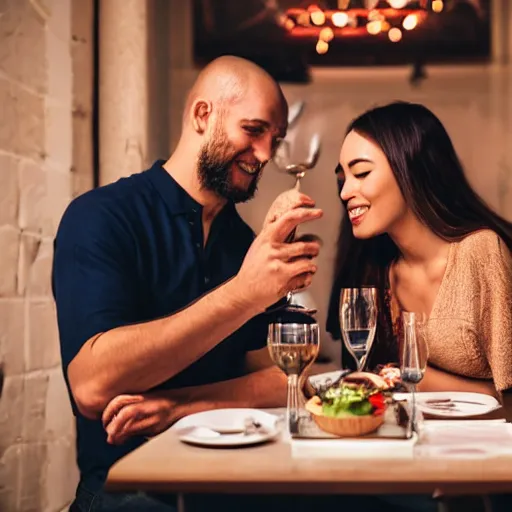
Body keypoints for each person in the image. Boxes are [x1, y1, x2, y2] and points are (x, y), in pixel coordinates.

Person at [53, 55, 323, 511]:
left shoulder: (245, 243)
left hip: (234, 483)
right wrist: (244, 293)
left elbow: (289, 382)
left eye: (274, 141)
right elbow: (92, 388)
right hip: (131, 492)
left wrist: (180, 406)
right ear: (203, 115)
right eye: (253, 131)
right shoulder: (101, 215)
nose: (264, 156)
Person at [327, 100, 512, 512]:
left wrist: (411, 379)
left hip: (485, 476)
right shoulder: (377, 270)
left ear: (409, 169)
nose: (345, 192)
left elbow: (509, 402)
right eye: (342, 178)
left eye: (361, 173)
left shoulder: (481, 251)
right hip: (413, 461)